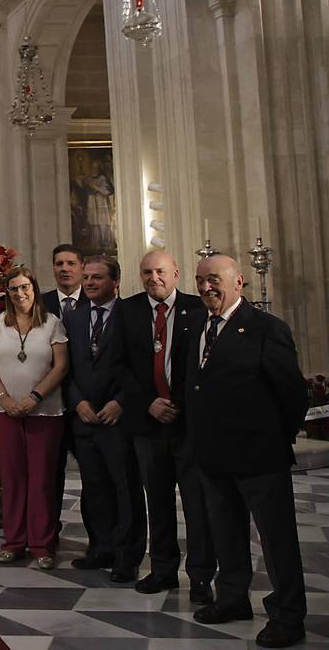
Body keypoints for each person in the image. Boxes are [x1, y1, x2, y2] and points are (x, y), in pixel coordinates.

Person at [187, 255, 307, 648]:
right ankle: (233, 597)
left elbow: (292, 395)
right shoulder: (200, 328)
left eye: (215, 280)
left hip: (260, 456)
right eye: (201, 280)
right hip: (213, 454)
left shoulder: (265, 328)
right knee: (226, 533)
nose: (207, 287)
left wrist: (274, 438)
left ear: (239, 282)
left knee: (277, 541)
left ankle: (288, 615)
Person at [118, 251, 214, 600]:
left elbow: (206, 365)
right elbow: (120, 366)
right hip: (148, 424)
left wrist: (179, 406)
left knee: (196, 503)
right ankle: (163, 569)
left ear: (175, 273)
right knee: (157, 502)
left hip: (187, 423)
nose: (153, 277)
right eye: (146, 272)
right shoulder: (127, 310)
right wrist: (148, 403)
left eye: (160, 271)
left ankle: (202, 575)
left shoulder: (198, 308)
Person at [0, 266, 69, 569]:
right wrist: (4, 398)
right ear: (7, 293)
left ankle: (42, 544)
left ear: (35, 289)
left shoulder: (52, 324)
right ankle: (14, 541)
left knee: (42, 479)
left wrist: (34, 397)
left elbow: (61, 366)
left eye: (25, 288)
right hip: (3, 411)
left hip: (44, 412)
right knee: (12, 478)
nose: (20, 294)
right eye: (14, 289)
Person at [63, 256, 146, 582]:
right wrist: (77, 401)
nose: (90, 283)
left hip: (118, 419)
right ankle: (101, 547)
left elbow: (141, 368)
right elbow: (64, 367)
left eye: (97, 278)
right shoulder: (74, 317)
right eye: (87, 278)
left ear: (115, 282)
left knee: (125, 488)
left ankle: (128, 555)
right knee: (94, 488)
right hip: (84, 419)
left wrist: (120, 403)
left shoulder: (133, 317)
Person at [41, 242, 85, 537]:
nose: (65, 269)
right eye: (59, 264)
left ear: (81, 268)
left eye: (71, 263)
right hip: (48, 401)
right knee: (49, 474)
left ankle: (101, 540)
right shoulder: (39, 303)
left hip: (87, 403)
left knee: (95, 477)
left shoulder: (97, 299)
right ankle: (47, 532)